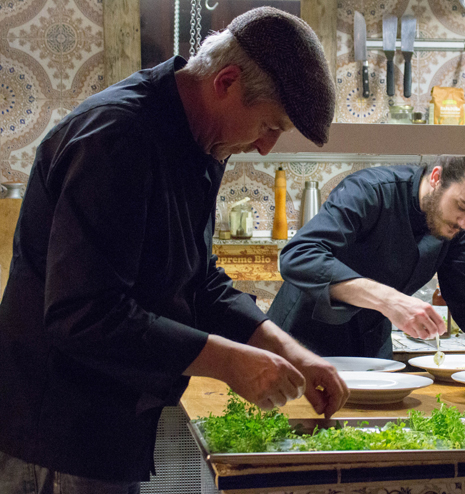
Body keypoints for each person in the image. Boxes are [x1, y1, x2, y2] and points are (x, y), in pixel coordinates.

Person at [0, 7, 348, 493]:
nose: (267, 147)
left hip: (111, 426)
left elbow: (198, 278)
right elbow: (84, 314)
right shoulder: (117, 138)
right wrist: (229, 362)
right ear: (225, 82)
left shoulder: (203, 142)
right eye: (270, 125)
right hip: (57, 432)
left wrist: (287, 348)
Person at [267, 156, 465, 368]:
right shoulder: (369, 190)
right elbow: (299, 255)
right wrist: (389, 300)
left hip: (373, 352)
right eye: (462, 207)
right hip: (300, 344)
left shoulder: (460, 229)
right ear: (437, 177)